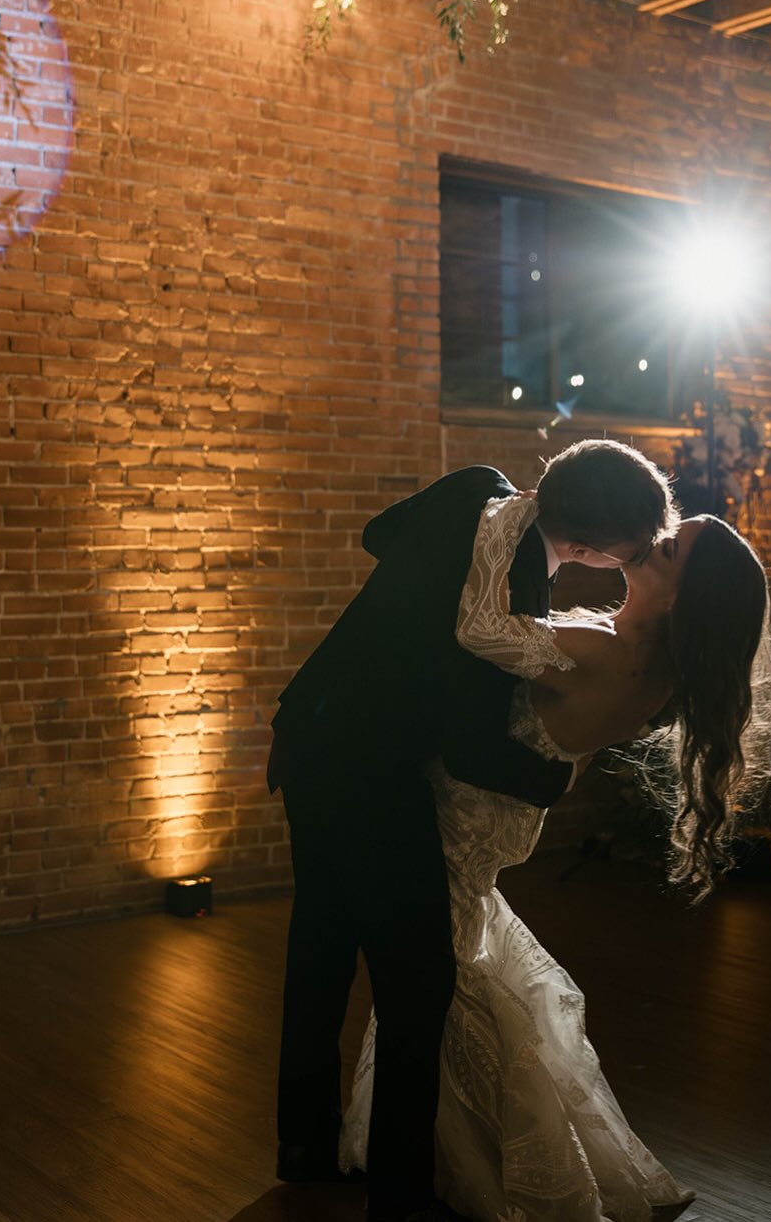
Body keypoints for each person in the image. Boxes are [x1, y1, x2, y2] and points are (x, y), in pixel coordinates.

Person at [340, 491, 771, 1221]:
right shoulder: (645, 664)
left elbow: (478, 629)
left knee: (439, 980)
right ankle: (440, 1148)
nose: (651, 540)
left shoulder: (605, 650)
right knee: (447, 968)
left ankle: (479, 1161)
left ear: (680, 599)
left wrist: (508, 517)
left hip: (463, 813)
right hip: (500, 815)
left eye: (669, 547)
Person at [268, 440, 675, 1222]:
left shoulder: (472, 488)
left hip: (307, 735)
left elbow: (379, 534)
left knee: (317, 949)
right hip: (374, 775)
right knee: (417, 985)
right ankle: (399, 1188)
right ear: (589, 549)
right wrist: (554, 781)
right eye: (631, 549)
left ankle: (303, 1146)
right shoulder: (516, 581)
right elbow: (470, 744)